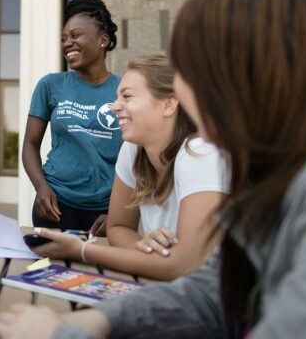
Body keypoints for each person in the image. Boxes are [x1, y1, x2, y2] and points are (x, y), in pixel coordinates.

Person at [0, 0, 306, 338]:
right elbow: (211, 294)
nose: (182, 84)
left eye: (189, 67)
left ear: (248, 74)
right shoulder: (264, 183)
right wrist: (86, 323)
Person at [29, 54, 227, 280]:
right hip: (178, 289)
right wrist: (145, 247)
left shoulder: (200, 154)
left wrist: (81, 250)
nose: (114, 106)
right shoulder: (133, 150)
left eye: (127, 96)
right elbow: (118, 227)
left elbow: (183, 265)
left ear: (168, 104)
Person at [24, 0, 124, 234]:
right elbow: (30, 144)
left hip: (105, 211)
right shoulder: (50, 85)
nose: (67, 43)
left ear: (102, 40)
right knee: (52, 272)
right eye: (63, 38)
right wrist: (41, 187)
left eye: (75, 35)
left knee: (102, 272)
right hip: (55, 206)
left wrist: (120, 213)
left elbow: (141, 160)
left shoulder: (124, 90)